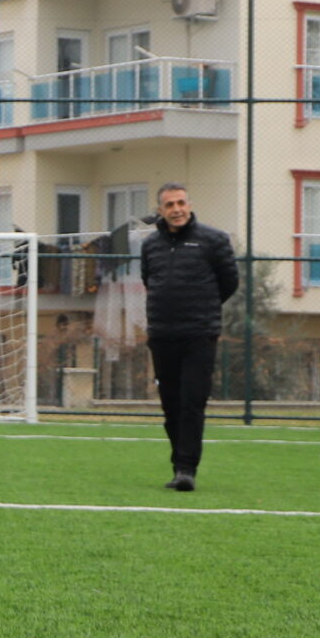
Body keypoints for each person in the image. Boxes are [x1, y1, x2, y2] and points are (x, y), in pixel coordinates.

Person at [141, 182, 237, 491]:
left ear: (190, 205)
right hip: (162, 335)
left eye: (181, 203)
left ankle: (186, 469)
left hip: (199, 335)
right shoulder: (150, 245)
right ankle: (178, 465)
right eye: (170, 205)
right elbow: (149, 280)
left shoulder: (214, 240)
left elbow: (229, 283)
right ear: (161, 210)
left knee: (192, 403)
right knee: (171, 405)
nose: (177, 209)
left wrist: (202, 309)